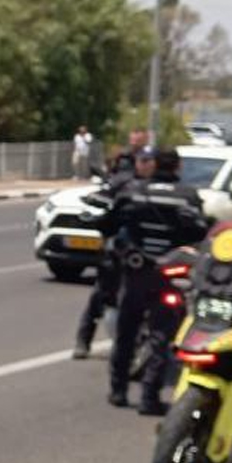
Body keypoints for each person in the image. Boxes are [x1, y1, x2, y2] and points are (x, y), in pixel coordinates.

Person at [97, 147, 210, 415]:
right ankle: (149, 398)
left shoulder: (134, 191)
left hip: (136, 272)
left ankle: (118, 391)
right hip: (170, 277)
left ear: (154, 164)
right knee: (161, 337)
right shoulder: (187, 196)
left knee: (126, 334)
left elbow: (108, 225)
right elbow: (199, 231)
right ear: (177, 167)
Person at [72, 147, 156, 360]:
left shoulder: (161, 187)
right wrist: (98, 218)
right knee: (102, 291)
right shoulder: (124, 184)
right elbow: (106, 206)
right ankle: (83, 340)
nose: (146, 164)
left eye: (150, 160)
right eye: (142, 159)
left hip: (153, 252)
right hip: (122, 248)